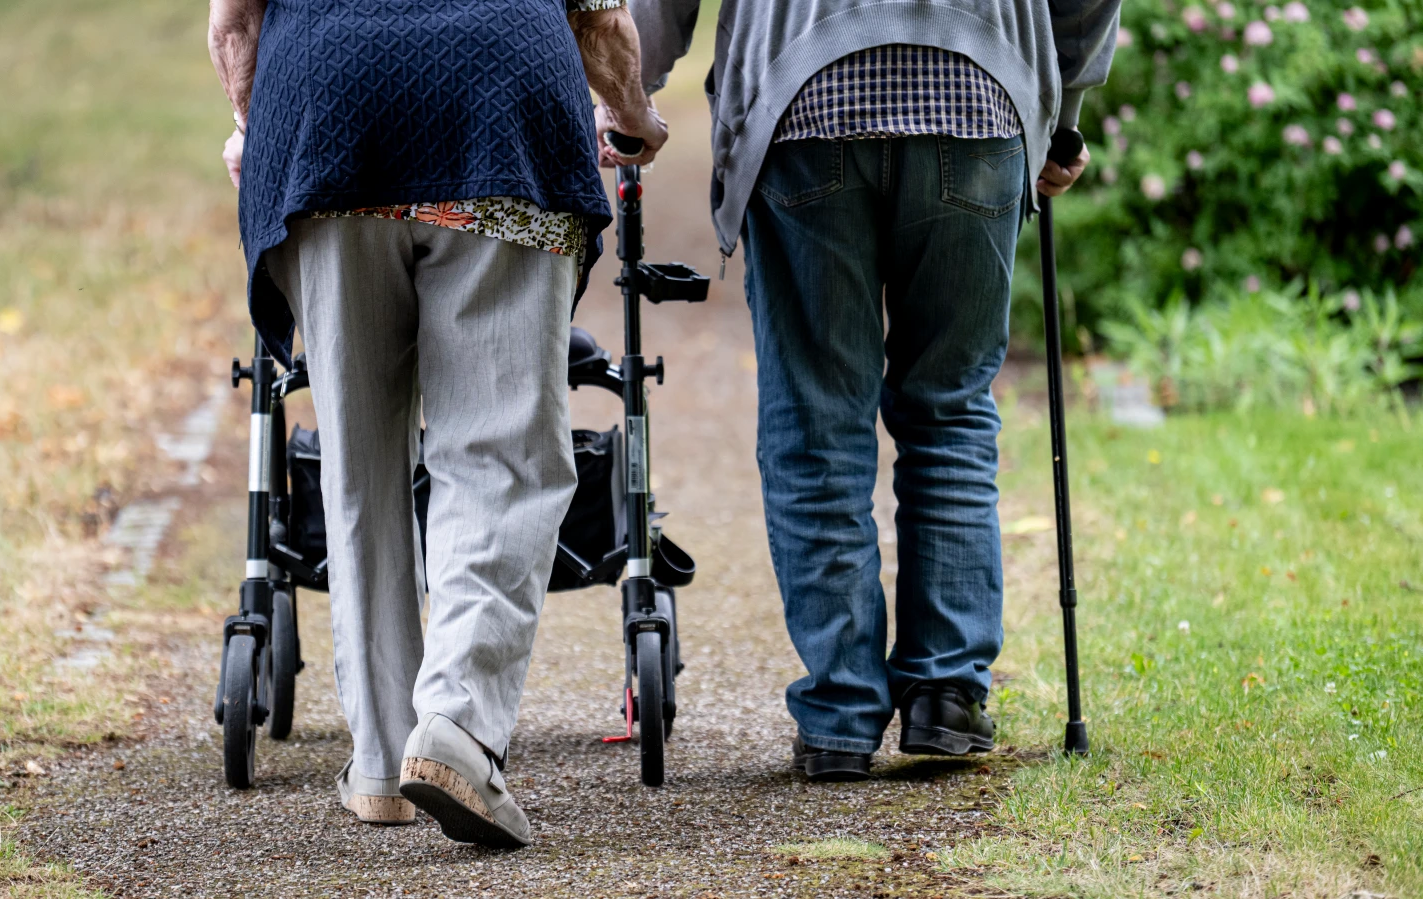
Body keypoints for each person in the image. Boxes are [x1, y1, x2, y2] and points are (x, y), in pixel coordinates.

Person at [616, 0, 1118, 780]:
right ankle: (946, 691)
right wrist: (1065, 108)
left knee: (815, 419)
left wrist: (629, 94)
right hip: (979, 89)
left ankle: (841, 712)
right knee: (950, 404)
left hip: (803, 90)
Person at [208, 0, 667, 848]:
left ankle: (382, 763)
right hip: (502, 115)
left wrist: (254, 122)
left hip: (328, 120)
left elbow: (235, 20)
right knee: (502, 454)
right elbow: (602, 19)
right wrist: (632, 113)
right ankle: (455, 723)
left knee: (359, 466)